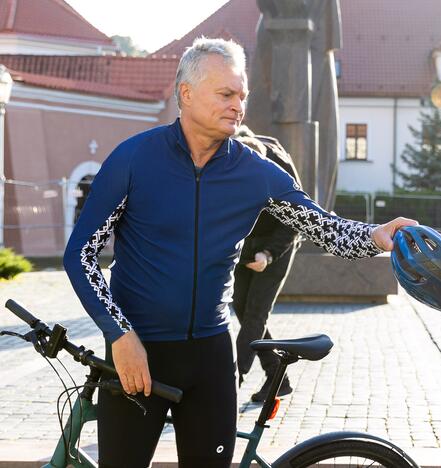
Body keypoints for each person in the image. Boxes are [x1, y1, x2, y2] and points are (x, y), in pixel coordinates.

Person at [63, 37, 415, 468]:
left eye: (242, 96)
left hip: (210, 358)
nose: (238, 105)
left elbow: (326, 228)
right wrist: (119, 334)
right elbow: (80, 254)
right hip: (137, 353)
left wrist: (379, 235)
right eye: (226, 93)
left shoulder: (255, 173)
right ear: (186, 93)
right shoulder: (134, 159)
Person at [232, 127, 300, 401]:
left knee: (256, 314)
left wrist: (268, 254)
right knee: (241, 306)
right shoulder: (228, 159)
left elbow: (294, 222)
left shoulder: (280, 173)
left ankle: (232, 380)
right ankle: (277, 376)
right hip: (245, 246)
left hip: (277, 246)